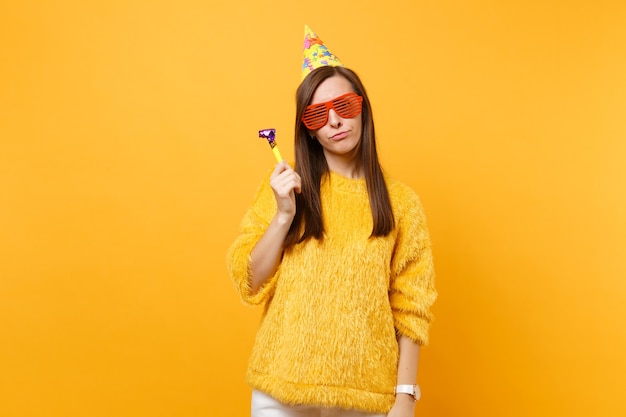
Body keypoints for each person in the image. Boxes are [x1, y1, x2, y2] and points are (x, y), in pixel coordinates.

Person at [227, 26, 436, 417]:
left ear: (363, 107)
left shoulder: (402, 204)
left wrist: (405, 397)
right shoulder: (283, 191)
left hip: (366, 397)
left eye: (345, 105)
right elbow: (248, 281)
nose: (335, 121)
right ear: (308, 128)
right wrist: (284, 215)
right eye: (319, 113)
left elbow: (411, 305)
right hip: (282, 391)